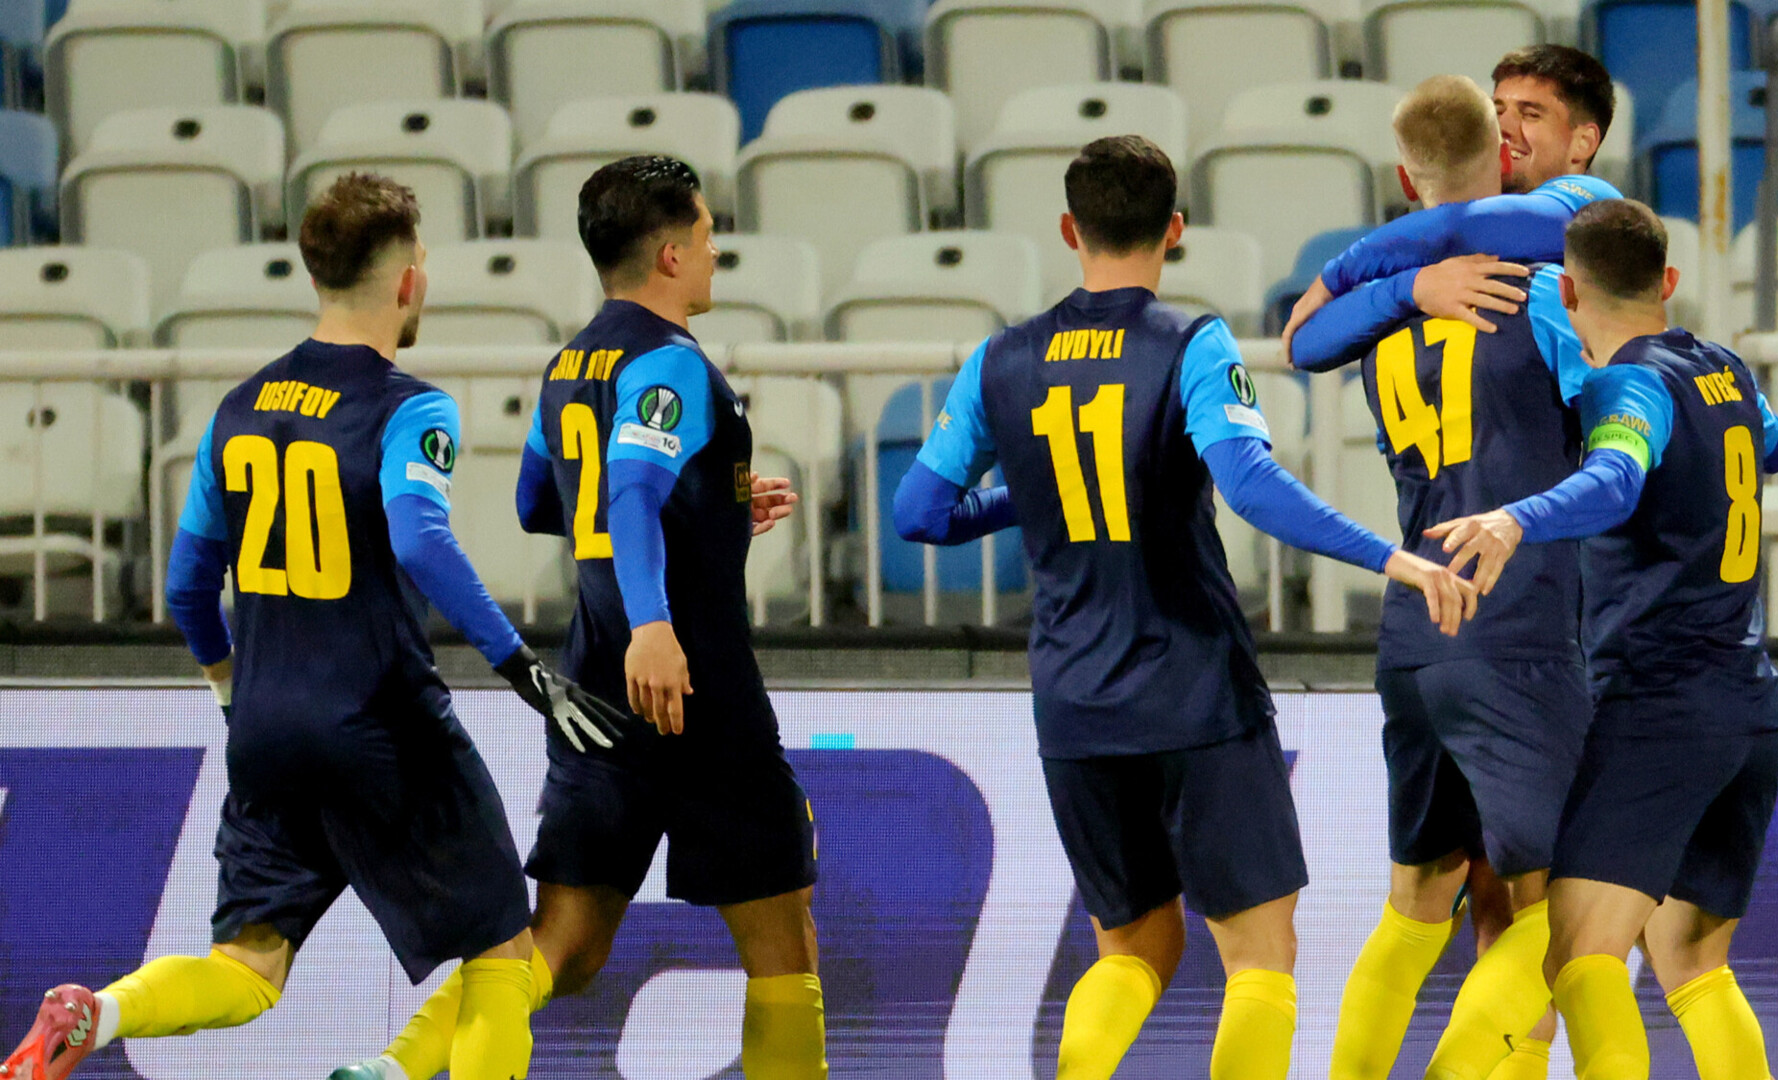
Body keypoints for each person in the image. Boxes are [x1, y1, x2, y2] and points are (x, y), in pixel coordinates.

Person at [0, 172, 628, 1080]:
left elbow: (186, 590)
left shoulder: (237, 409)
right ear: (409, 280)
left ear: (314, 275)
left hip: (268, 731)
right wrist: (521, 666)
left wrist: (234, 696)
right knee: (503, 956)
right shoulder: (410, 407)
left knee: (246, 967)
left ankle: (98, 1014)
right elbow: (420, 538)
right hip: (383, 726)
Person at [893, 134, 1477, 1080]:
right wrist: (1387, 556)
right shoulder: (1190, 342)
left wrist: (1038, 491)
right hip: (1194, 689)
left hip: (1074, 701)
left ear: (1069, 230)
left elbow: (918, 513)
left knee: (1134, 950)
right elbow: (1248, 484)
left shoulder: (1000, 358)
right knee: (1260, 956)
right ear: (1174, 230)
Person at [333, 155, 821, 1080]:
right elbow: (630, 489)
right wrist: (656, 623)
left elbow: (539, 500)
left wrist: (712, 504)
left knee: (563, 943)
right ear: (670, 254)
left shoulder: (568, 365)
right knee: (781, 941)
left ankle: (396, 1069)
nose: (716, 253)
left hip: (594, 684)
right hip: (696, 683)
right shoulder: (672, 363)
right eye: (707, 237)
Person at [1425, 199, 1778, 1080]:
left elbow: (1618, 476)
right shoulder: (1725, 369)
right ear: (1669, 281)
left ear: (1567, 292)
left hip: (1662, 706)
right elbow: (1773, 445)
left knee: (1577, 955)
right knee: (1692, 960)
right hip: (1749, 706)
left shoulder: (1629, 387)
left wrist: (1515, 517)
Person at [1287, 77, 1594, 1080]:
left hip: (1416, 623)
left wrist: (1399, 286)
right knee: (1567, 908)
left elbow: (1299, 338)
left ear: (1401, 177)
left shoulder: (1374, 319)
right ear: (1504, 158)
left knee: (1418, 904)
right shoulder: (1539, 289)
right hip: (1518, 622)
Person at [1282, 44, 1622, 353]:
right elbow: (1305, 345)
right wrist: (1409, 289)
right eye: (1497, 111)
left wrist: (1339, 272)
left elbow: (1461, 225)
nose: (1503, 127)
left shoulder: (1598, 208)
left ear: (1583, 143)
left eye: (1530, 114)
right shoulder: (1424, 256)